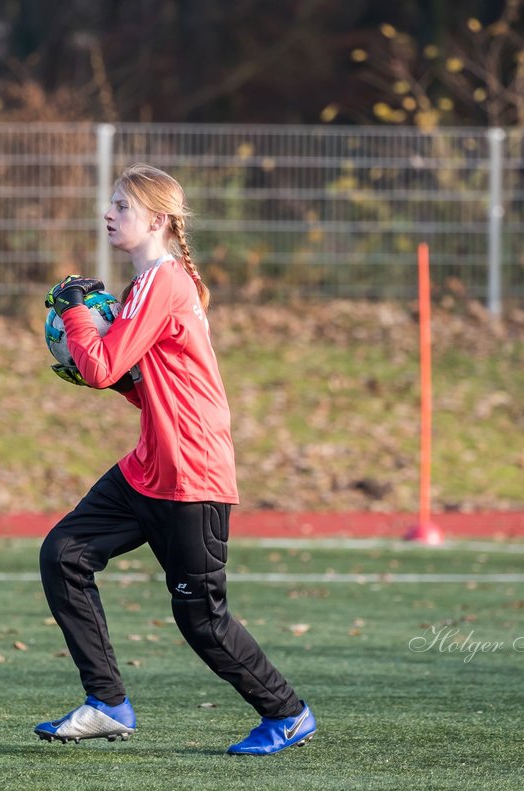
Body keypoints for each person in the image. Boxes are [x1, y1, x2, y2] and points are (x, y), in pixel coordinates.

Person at [35, 163, 315, 756]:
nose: (109, 214)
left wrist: (77, 313)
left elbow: (102, 363)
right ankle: (107, 702)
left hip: (192, 474)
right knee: (63, 554)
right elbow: (134, 383)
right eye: (110, 203)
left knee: (203, 620)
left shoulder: (166, 281)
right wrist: (98, 362)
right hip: (150, 469)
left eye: (122, 206)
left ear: (158, 220)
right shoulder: (148, 285)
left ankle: (287, 713)